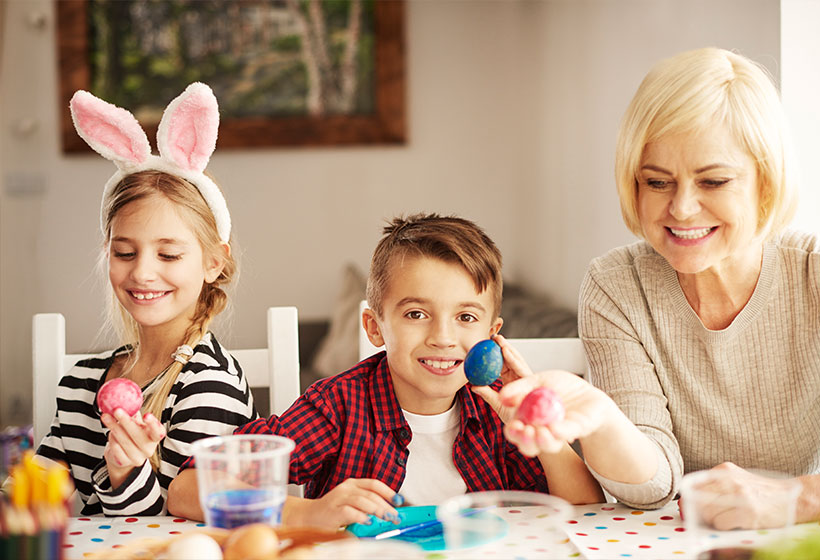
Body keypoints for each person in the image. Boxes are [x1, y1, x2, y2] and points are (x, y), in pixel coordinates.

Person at [500, 47, 820, 529]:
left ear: (766, 184)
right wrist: (604, 416)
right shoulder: (617, 285)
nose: (681, 208)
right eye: (657, 182)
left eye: (714, 181)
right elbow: (651, 488)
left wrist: (792, 499)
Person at [168, 213, 604, 528]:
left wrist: (536, 423)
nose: (443, 337)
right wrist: (310, 512)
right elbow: (187, 488)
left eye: (466, 318)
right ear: (375, 328)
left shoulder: (496, 412)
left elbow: (586, 508)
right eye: (416, 314)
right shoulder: (338, 405)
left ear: (493, 334)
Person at [34, 83, 257, 516]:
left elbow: (174, 527)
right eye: (125, 252)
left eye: (169, 253)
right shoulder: (81, 384)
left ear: (213, 263)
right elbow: (38, 502)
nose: (142, 272)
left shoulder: (211, 386)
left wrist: (125, 470)